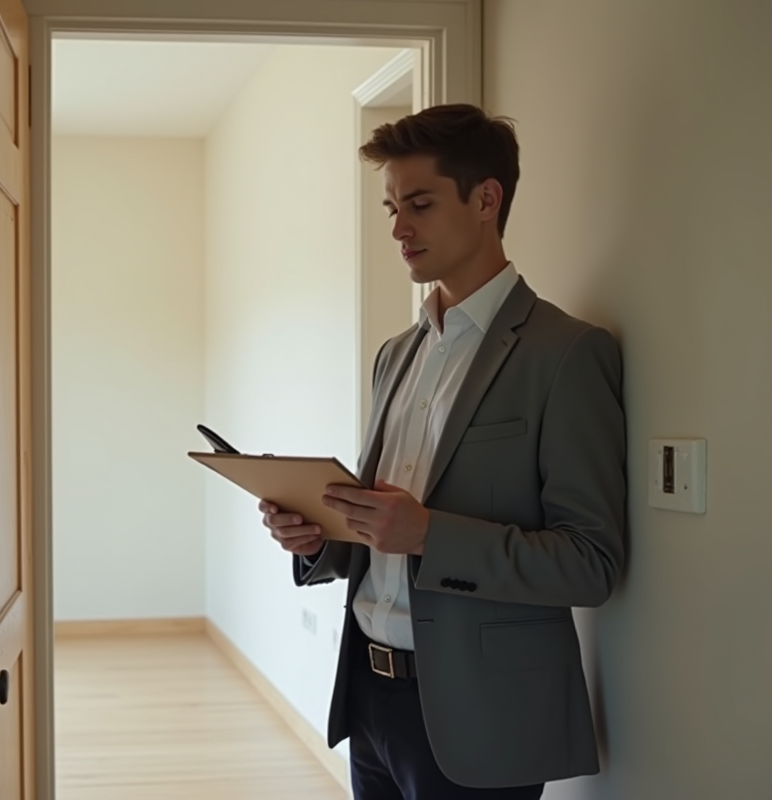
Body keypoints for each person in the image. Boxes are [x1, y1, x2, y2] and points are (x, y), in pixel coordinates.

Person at [260, 104, 626, 800]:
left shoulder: (568, 354)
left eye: (419, 204)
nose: (399, 228)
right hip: (368, 697)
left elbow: (591, 564)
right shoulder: (395, 356)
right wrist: (315, 539)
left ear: (487, 199)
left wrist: (428, 534)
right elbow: (377, 537)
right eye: (392, 207)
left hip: (481, 715)